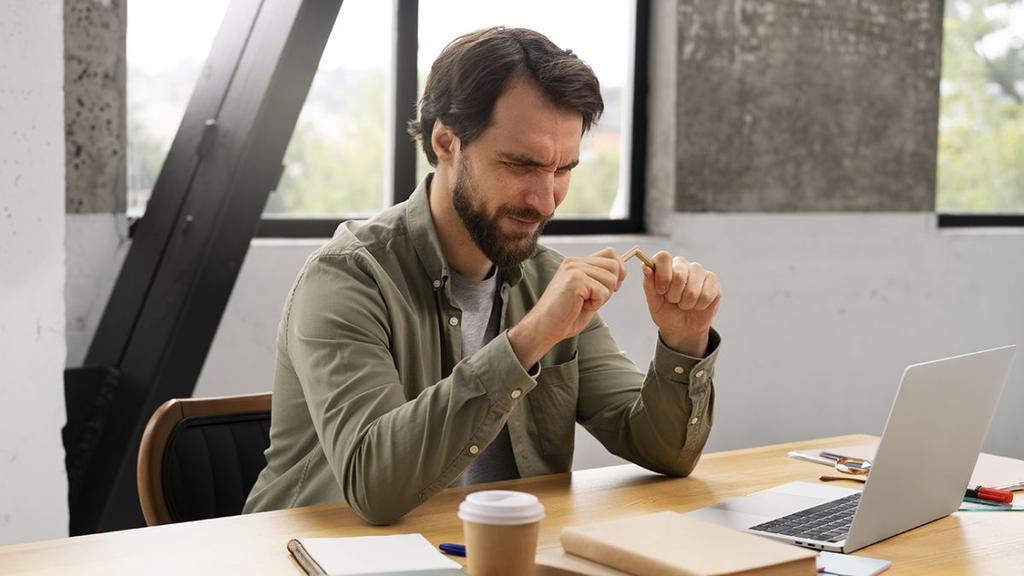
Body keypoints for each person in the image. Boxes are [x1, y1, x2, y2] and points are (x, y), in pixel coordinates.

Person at [243, 26, 722, 525]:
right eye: (521, 164)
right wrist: (530, 338)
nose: (546, 199)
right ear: (446, 142)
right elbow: (375, 488)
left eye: (563, 170)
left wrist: (683, 341)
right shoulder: (345, 279)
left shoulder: (547, 277)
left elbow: (664, 451)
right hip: (321, 559)